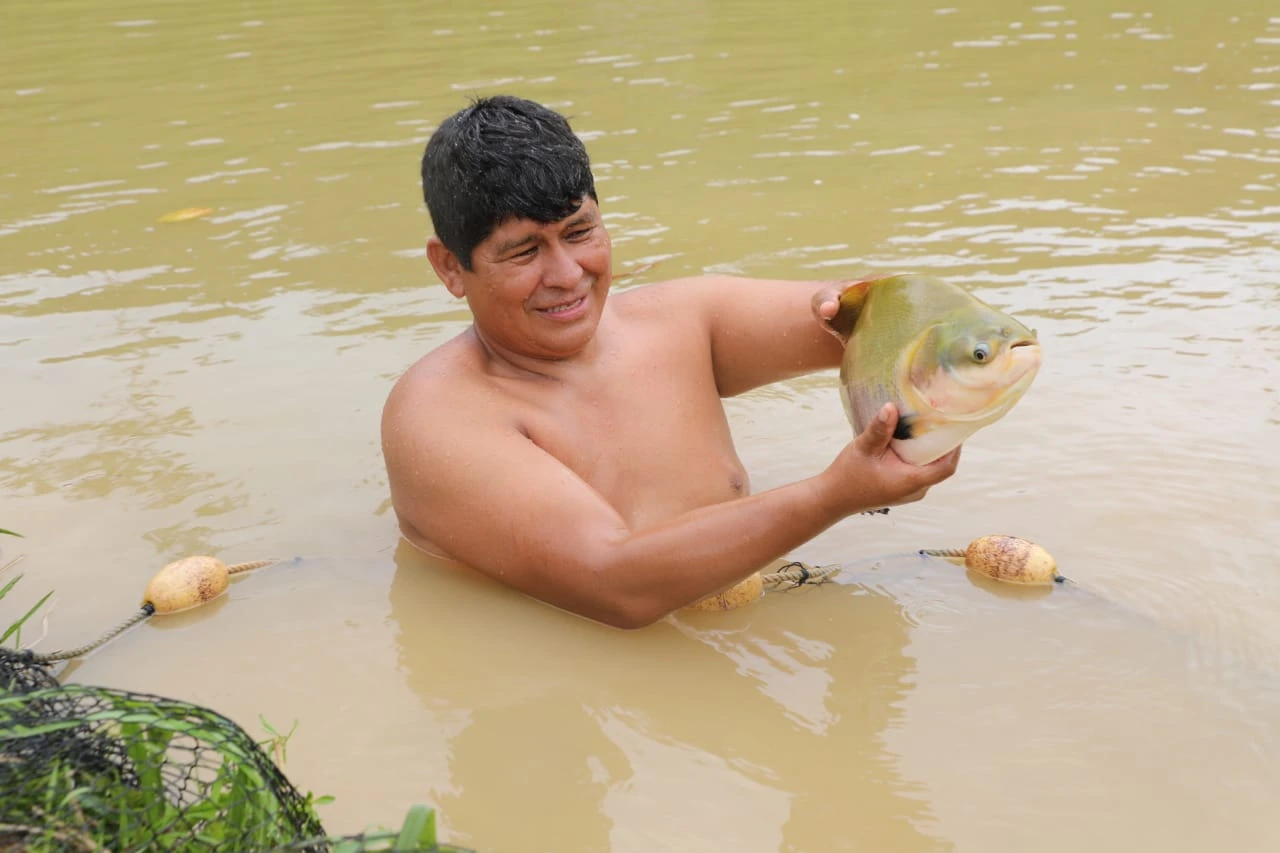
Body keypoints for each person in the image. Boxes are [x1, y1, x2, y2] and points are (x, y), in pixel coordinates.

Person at [381, 95, 961, 629]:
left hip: (735, 627)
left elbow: (902, 319)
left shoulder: (684, 320)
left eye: (579, 232)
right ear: (451, 267)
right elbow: (615, 584)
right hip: (586, 685)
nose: (566, 275)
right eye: (525, 251)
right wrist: (836, 493)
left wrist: (875, 312)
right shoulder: (439, 418)